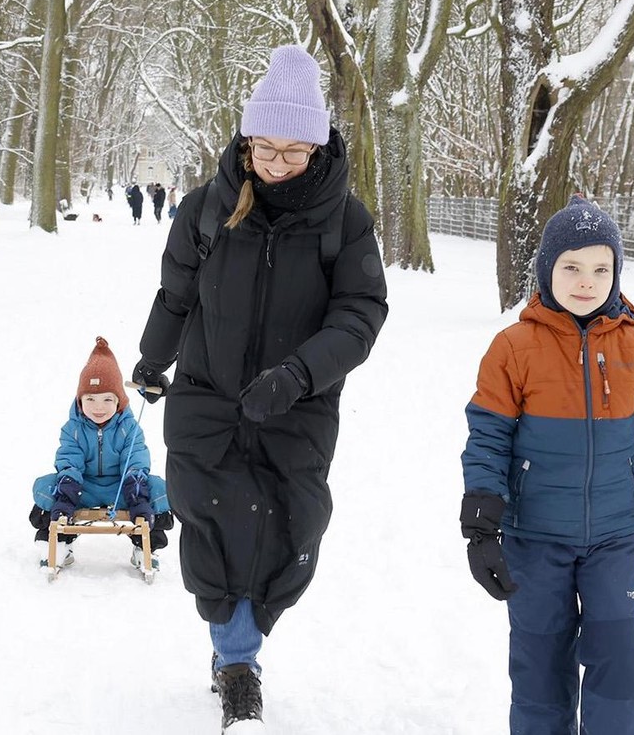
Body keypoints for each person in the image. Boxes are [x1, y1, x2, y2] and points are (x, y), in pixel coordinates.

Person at [131, 45, 388, 731]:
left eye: (293, 152)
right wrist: (153, 361)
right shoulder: (206, 209)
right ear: (246, 142)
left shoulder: (344, 220)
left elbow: (361, 314)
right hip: (207, 398)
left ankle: (243, 646)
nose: (277, 164)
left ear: (318, 146)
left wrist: (300, 375)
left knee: (285, 530)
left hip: (296, 407)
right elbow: (176, 295)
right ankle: (237, 663)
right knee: (212, 523)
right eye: (264, 149)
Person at [459, 195, 634, 735]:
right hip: (534, 538)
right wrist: (481, 531)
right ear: (547, 269)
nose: (586, 281)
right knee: (540, 671)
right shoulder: (512, 347)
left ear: (616, 273)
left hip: (612, 538)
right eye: (571, 266)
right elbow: (488, 440)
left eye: (601, 268)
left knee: (620, 663)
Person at [29, 337, 174, 569]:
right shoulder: (73, 429)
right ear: (80, 401)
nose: (99, 407)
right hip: (82, 488)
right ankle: (59, 544)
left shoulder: (129, 427)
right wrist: (66, 495)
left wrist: (136, 490)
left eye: (108, 399)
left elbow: (135, 459)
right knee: (45, 488)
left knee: (161, 491)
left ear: (119, 401)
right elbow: (69, 462)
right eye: (91, 399)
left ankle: (145, 547)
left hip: (122, 488)